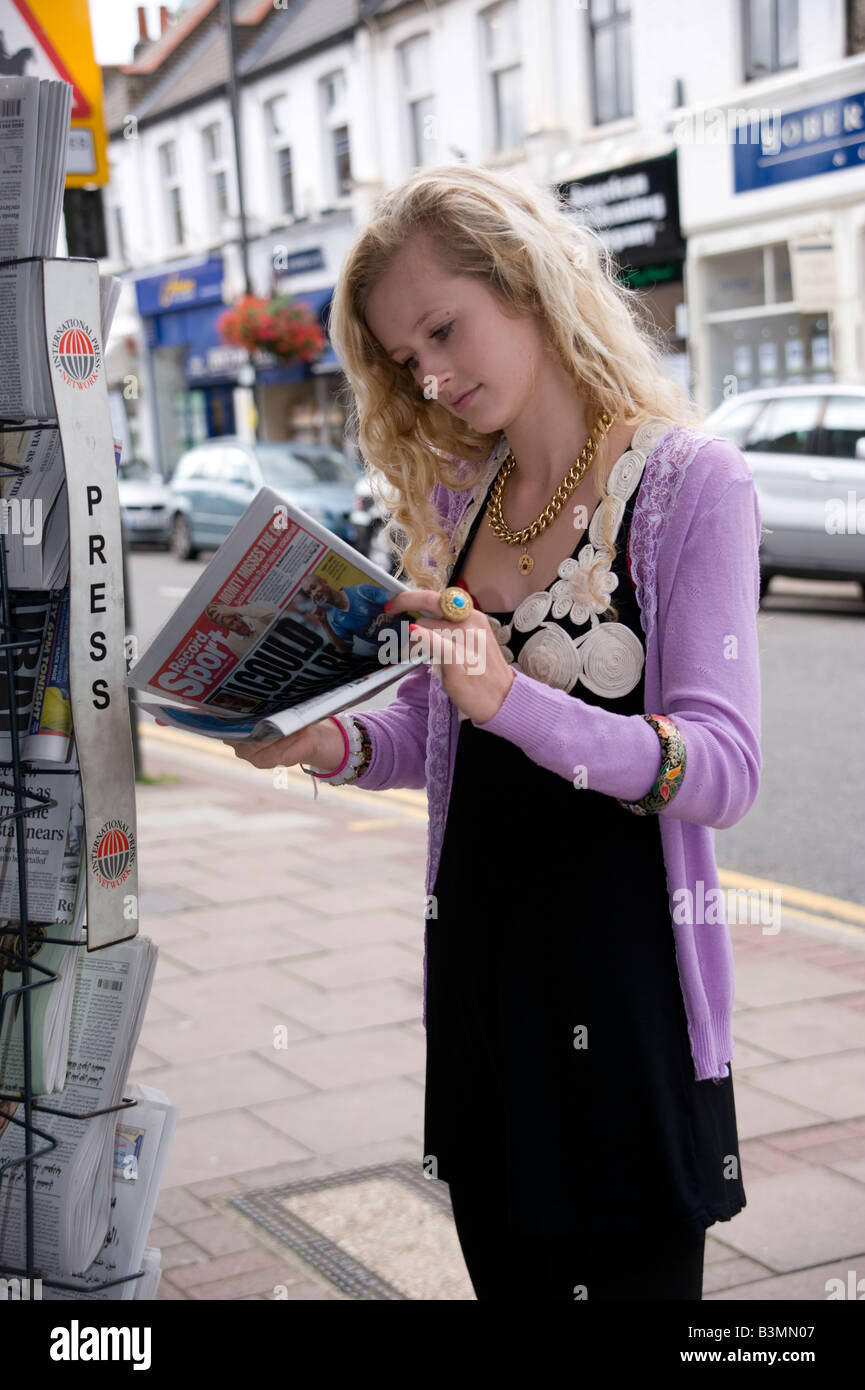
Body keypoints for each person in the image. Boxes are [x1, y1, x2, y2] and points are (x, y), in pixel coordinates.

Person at [223, 164, 763, 1302]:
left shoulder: (686, 483)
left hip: (625, 1007)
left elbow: (719, 770)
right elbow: (437, 728)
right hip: (481, 981)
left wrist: (512, 698)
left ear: (527, 280)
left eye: (443, 328)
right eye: (405, 355)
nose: (431, 372)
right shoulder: (461, 501)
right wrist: (310, 743)